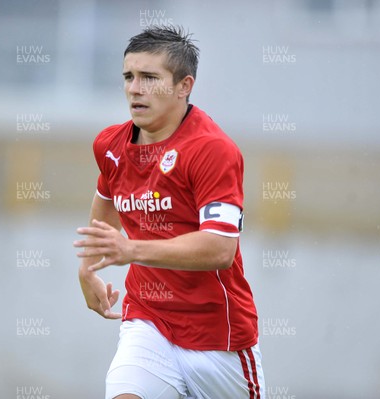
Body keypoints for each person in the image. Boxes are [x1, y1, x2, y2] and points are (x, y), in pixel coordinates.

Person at [74, 26, 264, 399]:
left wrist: (131, 250)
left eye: (149, 78)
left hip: (217, 339)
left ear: (184, 85)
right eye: (129, 76)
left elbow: (219, 250)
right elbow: (106, 206)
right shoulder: (110, 144)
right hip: (148, 322)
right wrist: (88, 268)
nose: (134, 88)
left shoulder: (212, 150)